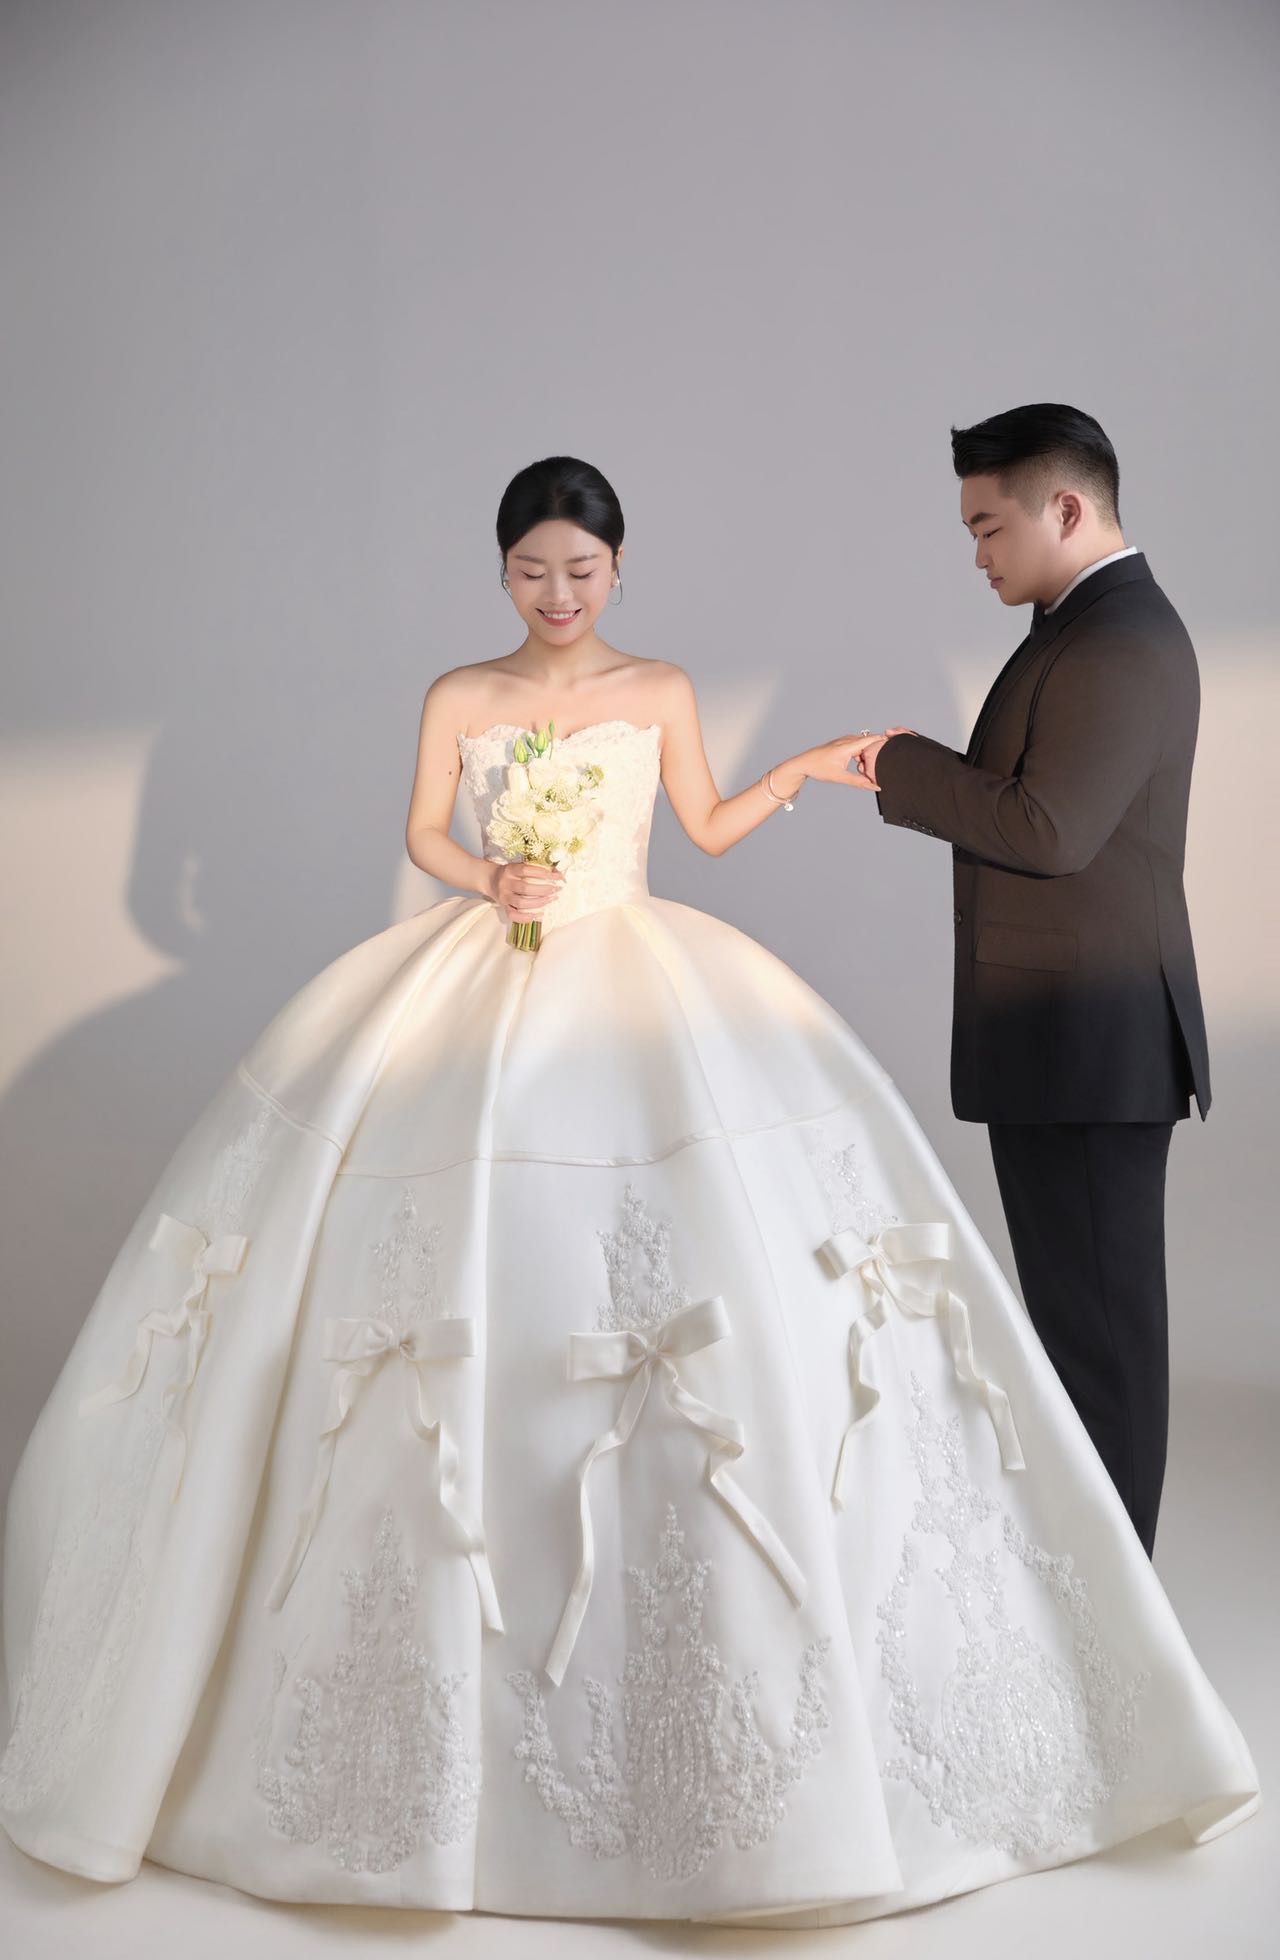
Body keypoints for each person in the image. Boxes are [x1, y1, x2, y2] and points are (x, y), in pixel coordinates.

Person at [0, 455, 1256, 1926]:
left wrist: (800, 775)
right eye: (532, 571)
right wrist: (487, 879)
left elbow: (703, 826)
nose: (557, 594)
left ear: (616, 570)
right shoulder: (459, 696)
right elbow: (421, 832)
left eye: (581, 571)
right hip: (485, 971)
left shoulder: (657, 688)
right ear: (503, 573)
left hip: (640, 967)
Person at [850, 404, 1205, 1560]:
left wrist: (899, 766)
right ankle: (1093, 1588)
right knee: (1073, 1336)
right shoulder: (1077, 625)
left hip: (1093, 1043)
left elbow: (1049, 829)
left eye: (985, 526)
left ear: (1063, 507)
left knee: (1101, 1344)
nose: (975, 554)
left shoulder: (1118, 638)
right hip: (1059, 1044)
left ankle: (1119, 1601)